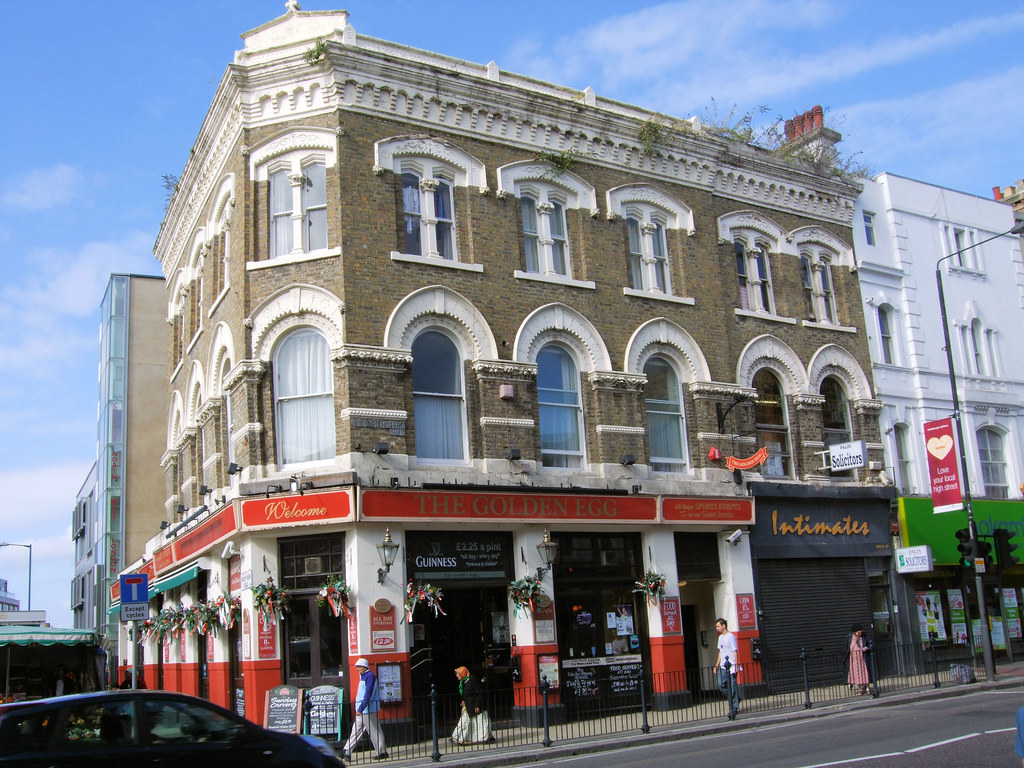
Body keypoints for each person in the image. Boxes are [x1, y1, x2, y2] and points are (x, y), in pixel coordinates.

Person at [343, 658, 388, 760]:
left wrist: (360, 708)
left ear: (364, 667)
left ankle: (382, 752)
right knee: (357, 730)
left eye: (359, 667)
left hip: (367, 709)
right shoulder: (365, 676)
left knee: (373, 731)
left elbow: (368, 694)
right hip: (364, 710)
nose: (357, 669)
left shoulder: (369, 676)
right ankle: (346, 750)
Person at [450, 666, 492, 745]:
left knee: (479, 721)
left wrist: (477, 705)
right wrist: (463, 701)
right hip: (468, 706)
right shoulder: (463, 682)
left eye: (458, 674)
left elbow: (478, 693)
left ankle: (483, 737)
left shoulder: (472, 680)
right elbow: (465, 694)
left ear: (463, 673)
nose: (457, 676)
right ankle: (457, 737)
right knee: (465, 721)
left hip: (473, 705)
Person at [714, 617, 740, 720]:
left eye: (718, 626)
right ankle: (735, 699)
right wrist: (716, 665)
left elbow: (735, 652)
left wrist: (736, 665)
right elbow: (720, 652)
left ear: (723, 626)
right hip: (723, 666)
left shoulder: (731, 637)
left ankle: (734, 707)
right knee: (720, 684)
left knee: (733, 686)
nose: (717, 628)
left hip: (731, 665)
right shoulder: (720, 637)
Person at [847, 624, 870, 695]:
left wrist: (867, 648)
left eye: (861, 632)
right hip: (854, 659)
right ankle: (860, 689)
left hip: (862, 658)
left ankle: (867, 688)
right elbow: (849, 647)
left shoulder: (863, 636)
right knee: (856, 673)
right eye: (858, 632)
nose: (860, 633)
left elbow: (870, 643)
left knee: (864, 672)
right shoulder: (851, 637)